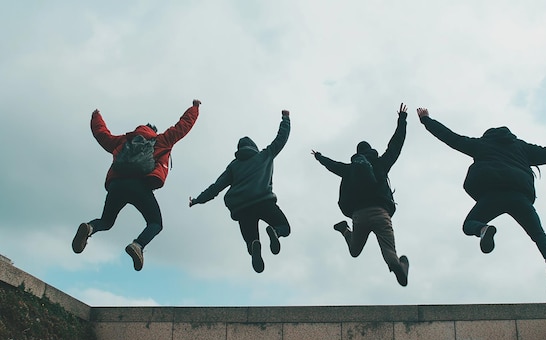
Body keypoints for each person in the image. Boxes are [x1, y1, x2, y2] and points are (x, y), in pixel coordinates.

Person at [416, 107, 546, 296]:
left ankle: (483, 229)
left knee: (468, 225)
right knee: (539, 234)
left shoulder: (481, 145)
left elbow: (451, 138)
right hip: (520, 196)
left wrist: (426, 120)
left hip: (492, 194)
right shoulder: (521, 147)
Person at [72, 99, 202, 271]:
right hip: (140, 186)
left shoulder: (123, 141)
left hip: (117, 185)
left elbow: (102, 135)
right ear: (153, 132)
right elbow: (182, 126)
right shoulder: (161, 140)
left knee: (106, 221)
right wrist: (195, 108)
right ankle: (138, 245)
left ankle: (89, 228)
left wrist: (96, 116)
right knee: (155, 223)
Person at [312, 103, 410, 287]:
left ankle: (344, 230)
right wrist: (402, 120)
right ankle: (397, 266)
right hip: (381, 213)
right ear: (370, 151)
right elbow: (396, 145)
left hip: (359, 216)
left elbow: (332, 165)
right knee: (389, 251)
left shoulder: (349, 169)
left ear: (357, 154)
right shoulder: (381, 164)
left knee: (355, 251)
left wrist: (319, 157)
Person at [189, 110, 291, 273]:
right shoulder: (265, 155)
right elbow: (281, 139)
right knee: (284, 227)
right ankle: (276, 232)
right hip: (264, 202)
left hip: (242, 209)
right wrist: (285, 119)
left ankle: (254, 246)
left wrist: (197, 200)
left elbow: (216, 187)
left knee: (251, 241)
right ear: (254, 147)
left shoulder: (233, 166)